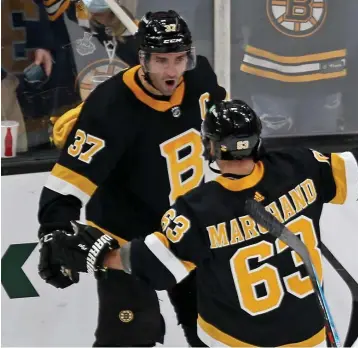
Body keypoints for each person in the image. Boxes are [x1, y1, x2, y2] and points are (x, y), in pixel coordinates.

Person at [42, 97, 358, 347]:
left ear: (210, 146)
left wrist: (97, 254)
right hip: (307, 334)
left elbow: (150, 266)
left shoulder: (197, 209)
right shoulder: (301, 166)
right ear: (257, 140)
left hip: (230, 340)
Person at [37, 10, 226, 347]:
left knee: (214, 331)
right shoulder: (110, 106)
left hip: (188, 230)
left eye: (180, 59)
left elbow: (223, 129)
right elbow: (68, 180)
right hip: (126, 240)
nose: (171, 71)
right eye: (161, 60)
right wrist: (54, 233)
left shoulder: (201, 80)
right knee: (131, 334)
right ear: (143, 59)